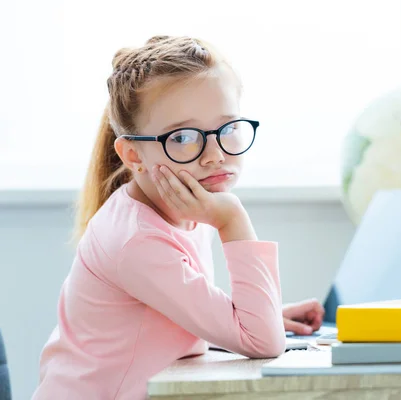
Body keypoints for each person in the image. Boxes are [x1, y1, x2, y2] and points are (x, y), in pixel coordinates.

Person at [32, 35, 325, 400]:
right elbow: (262, 342)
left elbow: (170, 319)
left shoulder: (183, 207)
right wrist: (233, 219)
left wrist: (256, 314)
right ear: (132, 154)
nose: (215, 155)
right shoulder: (136, 240)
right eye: (184, 136)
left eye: (229, 128)